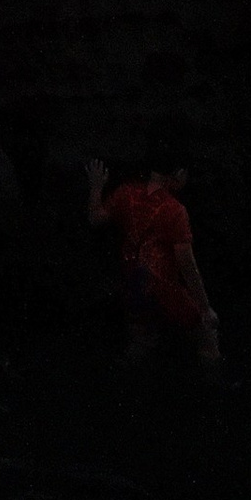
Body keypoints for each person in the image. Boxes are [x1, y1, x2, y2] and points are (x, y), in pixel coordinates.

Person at [86, 152, 221, 366]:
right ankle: (215, 391)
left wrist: (96, 186)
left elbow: (95, 218)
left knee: (140, 343)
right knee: (207, 337)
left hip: (134, 283)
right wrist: (205, 308)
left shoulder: (126, 193)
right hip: (163, 288)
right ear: (178, 174)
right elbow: (187, 265)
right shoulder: (174, 210)